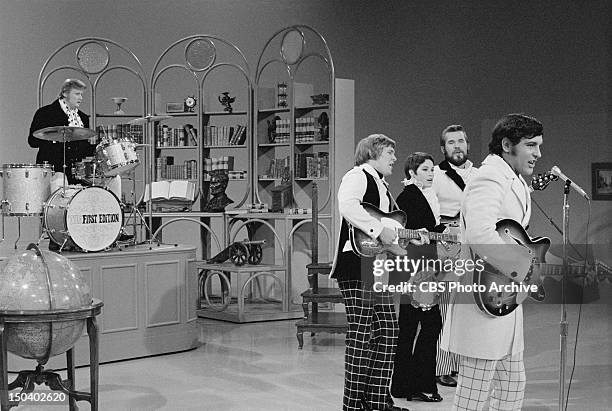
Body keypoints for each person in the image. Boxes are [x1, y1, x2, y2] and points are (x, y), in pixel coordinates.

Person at [441, 113, 544, 410]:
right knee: (473, 395)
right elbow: (480, 233)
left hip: (503, 297)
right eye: (531, 145)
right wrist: (523, 267)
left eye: (539, 146)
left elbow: (511, 234)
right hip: (482, 298)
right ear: (506, 144)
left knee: (513, 386)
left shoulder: (512, 178)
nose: (538, 153)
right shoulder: (489, 176)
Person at [331, 134, 412, 411]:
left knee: (388, 330)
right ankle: (353, 405)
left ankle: (376, 401)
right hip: (356, 263)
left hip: (376, 266)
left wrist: (408, 238)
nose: (394, 158)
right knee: (361, 333)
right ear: (372, 153)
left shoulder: (382, 185)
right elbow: (348, 206)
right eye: (389, 152)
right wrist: (381, 231)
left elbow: (388, 228)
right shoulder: (358, 176)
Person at [390, 152, 445, 403]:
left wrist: (442, 231)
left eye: (432, 169)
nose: (431, 173)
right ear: (412, 173)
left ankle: (405, 385)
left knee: (414, 326)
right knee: (423, 325)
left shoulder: (426, 195)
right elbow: (404, 231)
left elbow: (429, 229)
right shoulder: (408, 196)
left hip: (425, 264)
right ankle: (416, 384)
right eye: (425, 169)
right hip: (414, 268)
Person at [432, 124, 478, 388]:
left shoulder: (480, 174)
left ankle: (464, 365)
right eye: (451, 142)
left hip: (472, 245)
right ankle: (442, 366)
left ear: (468, 145)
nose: (457, 146)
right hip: (447, 246)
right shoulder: (435, 175)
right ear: (443, 148)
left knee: (469, 308)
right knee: (447, 308)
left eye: (461, 141)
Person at [28, 78, 94, 185]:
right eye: (77, 94)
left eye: (81, 95)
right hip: (52, 169)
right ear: (64, 93)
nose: (81, 98)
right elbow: (32, 141)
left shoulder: (83, 118)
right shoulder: (45, 113)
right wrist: (54, 138)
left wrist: (100, 146)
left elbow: (83, 148)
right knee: (59, 180)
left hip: (75, 172)